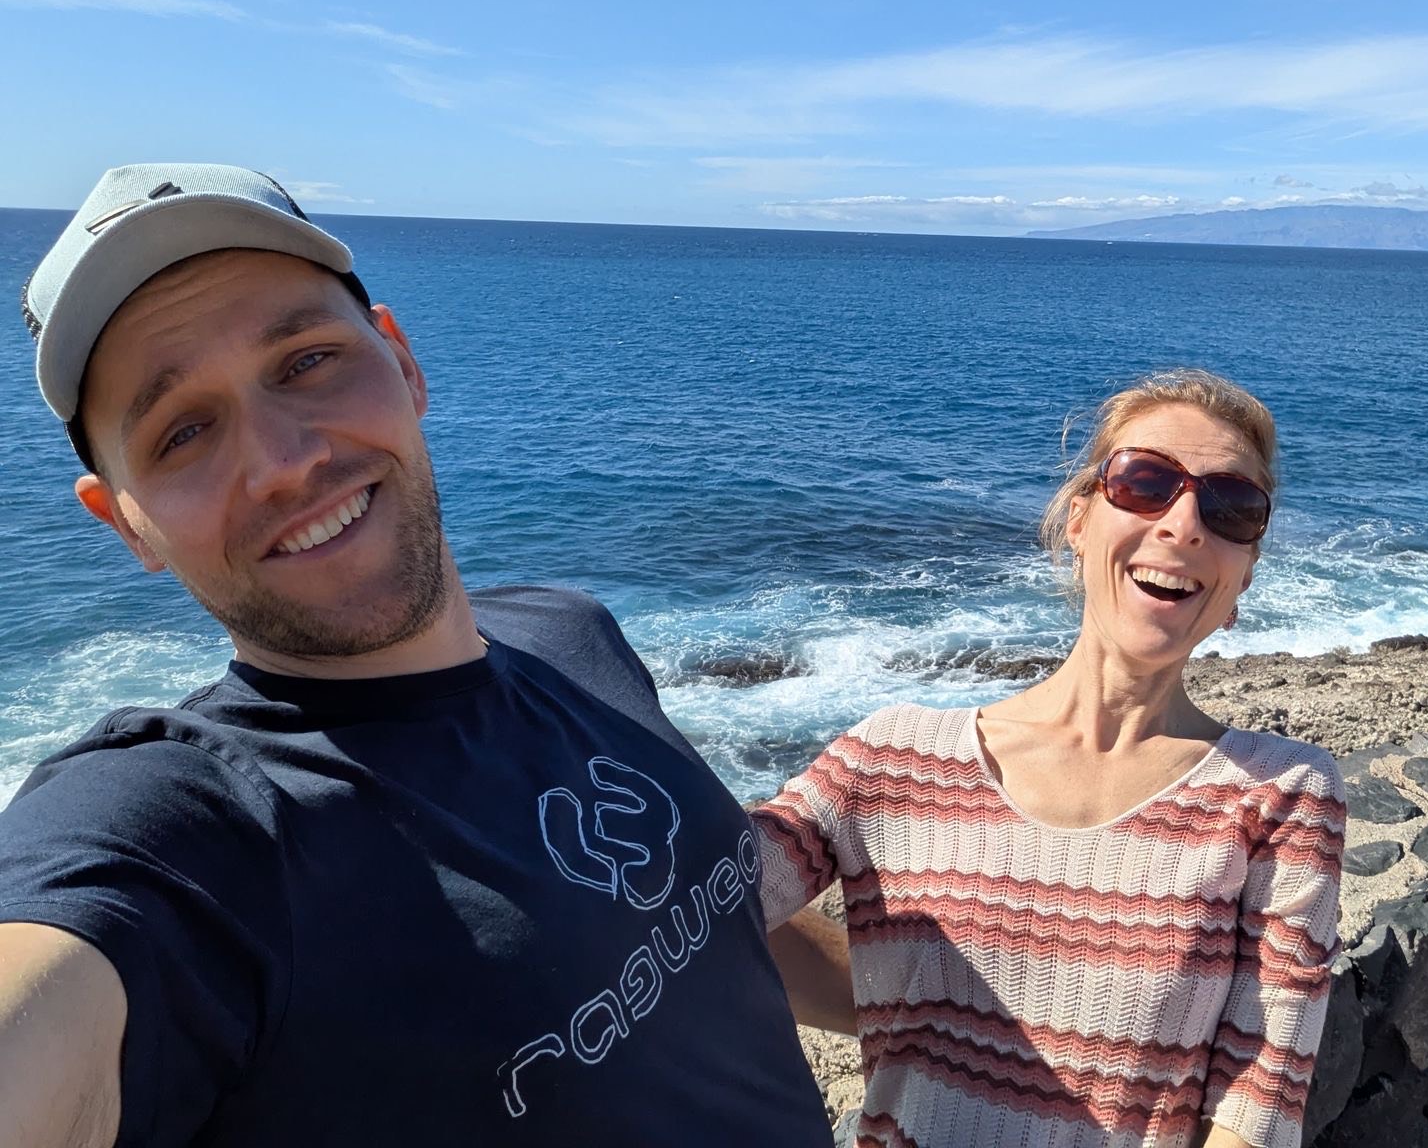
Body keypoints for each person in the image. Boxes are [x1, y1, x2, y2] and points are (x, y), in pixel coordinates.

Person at [0, 164, 836, 1146]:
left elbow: (709, 913)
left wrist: (994, 1005)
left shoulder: (570, 632)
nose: (283, 460)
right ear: (126, 525)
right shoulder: (183, 833)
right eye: (182, 430)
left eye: (306, 361)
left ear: (401, 361)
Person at [753, 371, 1348, 1148]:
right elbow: (692, 903)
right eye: (1145, 482)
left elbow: (1257, 1114)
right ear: (1080, 520)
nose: (1184, 523)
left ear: (1241, 578)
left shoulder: (1280, 797)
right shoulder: (891, 758)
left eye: (1230, 508)